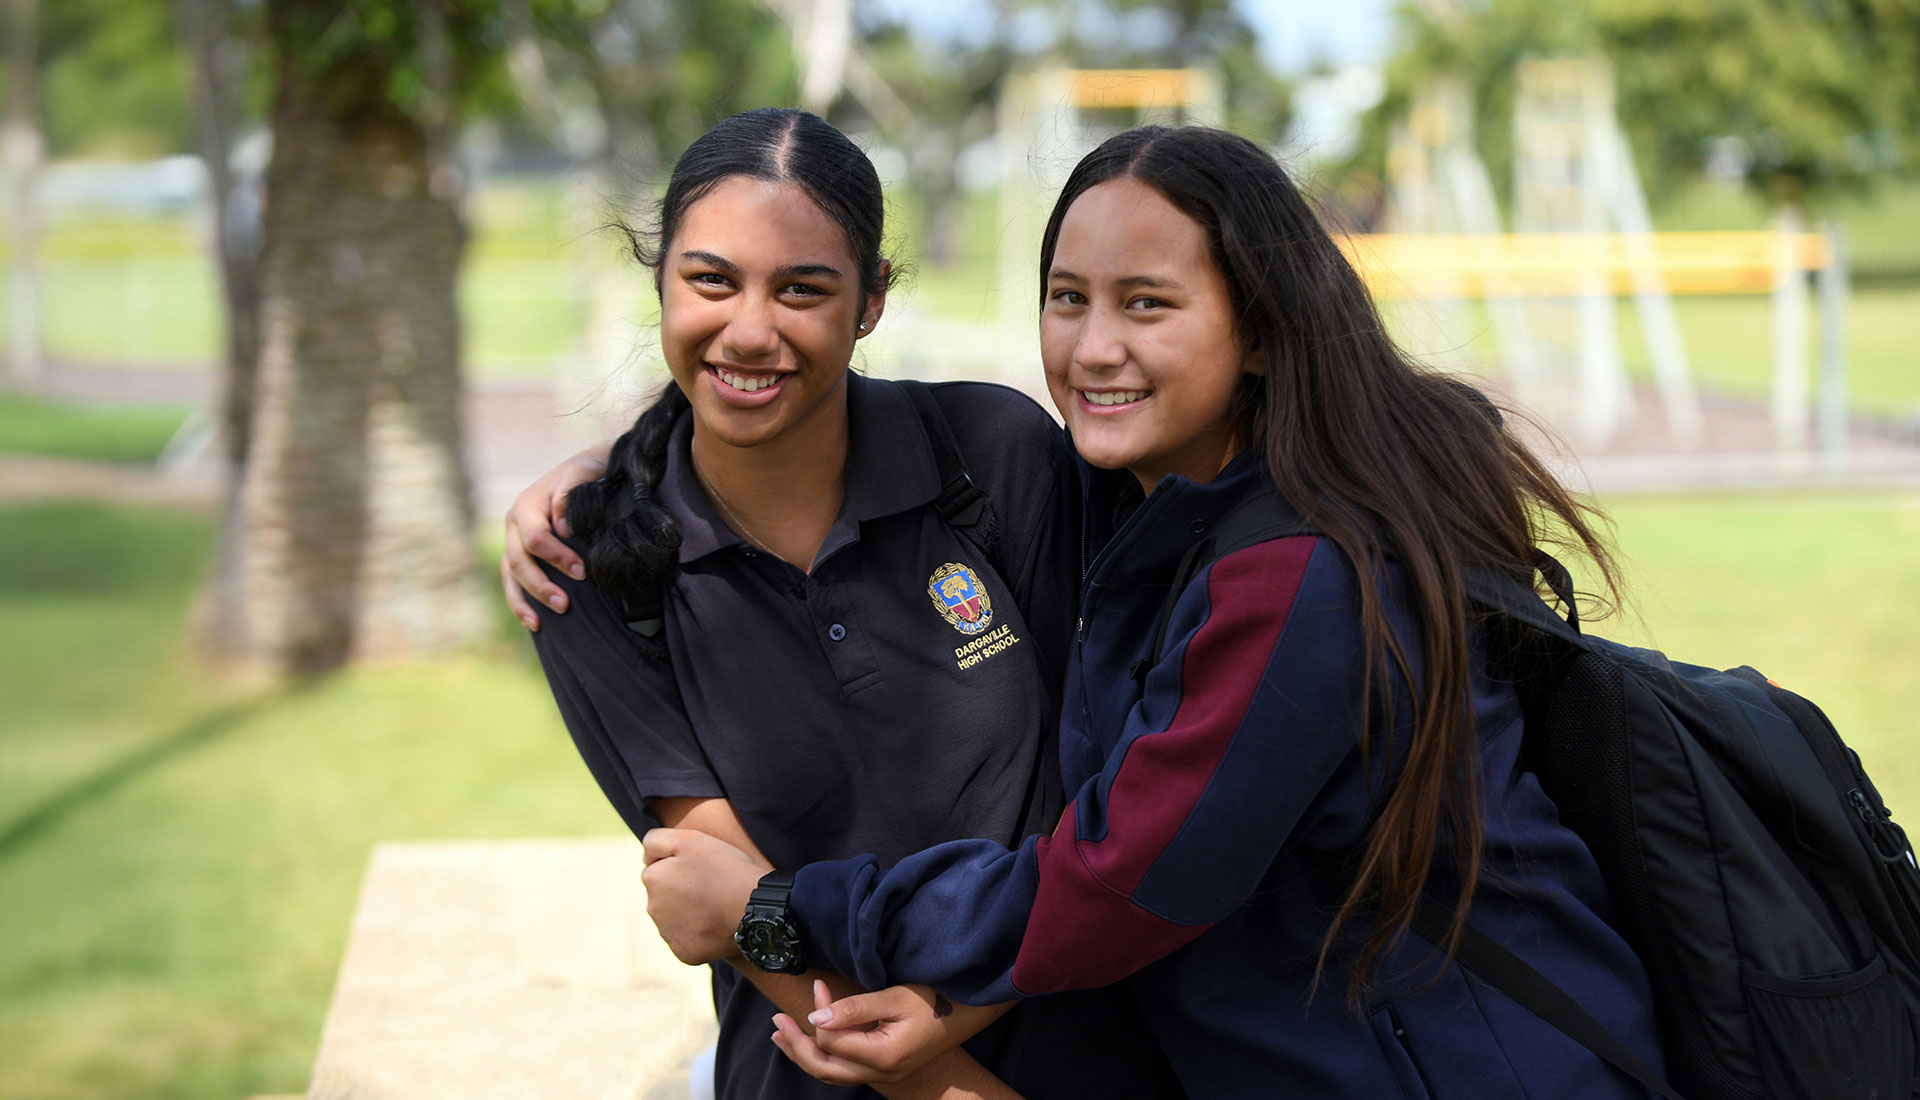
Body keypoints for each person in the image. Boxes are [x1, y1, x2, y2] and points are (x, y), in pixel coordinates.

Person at [629, 125, 1668, 1098]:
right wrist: (621, 469)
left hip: (1475, 1068)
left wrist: (776, 910)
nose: (1091, 348)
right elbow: (767, 411)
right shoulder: (1140, 505)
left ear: (1259, 331)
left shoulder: (1304, 576)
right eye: (1068, 297)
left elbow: (1113, 882)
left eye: (1147, 304)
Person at [508, 107, 1182, 1100]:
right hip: (814, 1068)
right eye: (712, 279)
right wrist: (939, 1081)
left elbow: (1084, 792)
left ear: (870, 301)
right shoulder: (590, 565)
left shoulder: (995, 455)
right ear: (660, 282)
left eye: (802, 289)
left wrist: (960, 1017)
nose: (750, 328)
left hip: (1082, 1039)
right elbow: (737, 902)